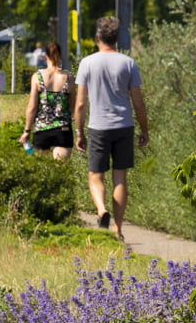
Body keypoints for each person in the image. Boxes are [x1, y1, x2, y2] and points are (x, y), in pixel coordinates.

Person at [73, 17, 149, 240]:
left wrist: (79, 132)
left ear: (97, 38)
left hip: (98, 126)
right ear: (116, 39)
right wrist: (145, 130)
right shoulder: (128, 63)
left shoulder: (87, 63)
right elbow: (138, 102)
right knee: (120, 178)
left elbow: (79, 103)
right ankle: (118, 228)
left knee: (95, 175)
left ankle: (101, 210)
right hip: (124, 125)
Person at [18, 41, 74, 160]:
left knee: (44, 173)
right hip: (63, 129)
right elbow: (73, 105)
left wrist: (27, 130)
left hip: (42, 129)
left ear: (45, 56)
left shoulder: (37, 77)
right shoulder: (69, 78)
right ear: (60, 56)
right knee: (61, 171)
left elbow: (32, 107)